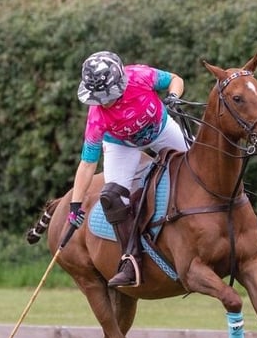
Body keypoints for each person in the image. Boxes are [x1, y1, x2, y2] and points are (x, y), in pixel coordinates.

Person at [67, 51, 189, 287]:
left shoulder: (140, 76)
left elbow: (176, 79)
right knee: (112, 197)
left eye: (108, 96)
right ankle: (130, 258)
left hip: (161, 129)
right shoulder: (97, 117)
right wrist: (75, 203)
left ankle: (237, 223)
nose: (105, 102)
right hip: (121, 145)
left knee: (201, 166)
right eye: (99, 98)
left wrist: (173, 96)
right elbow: (88, 162)